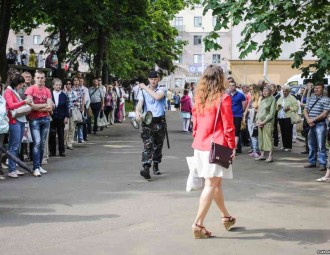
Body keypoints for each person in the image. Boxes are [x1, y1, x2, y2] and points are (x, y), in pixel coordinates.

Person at [191, 65, 236, 239]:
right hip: (217, 146)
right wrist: (232, 146)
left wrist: (198, 136)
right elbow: (228, 126)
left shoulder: (199, 97)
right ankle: (198, 223)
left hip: (200, 145)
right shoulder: (223, 98)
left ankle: (226, 216)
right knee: (211, 184)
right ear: (220, 79)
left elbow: (194, 124)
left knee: (215, 183)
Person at [135, 71, 167, 180]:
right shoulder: (142, 91)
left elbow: (157, 97)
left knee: (158, 145)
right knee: (147, 145)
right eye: (151, 79)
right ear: (148, 79)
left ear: (158, 79)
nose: (153, 81)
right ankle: (146, 168)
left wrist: (144, 87)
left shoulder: (162, 89)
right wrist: (137, 112)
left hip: (159, 122)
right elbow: (140, 104)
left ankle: (156, 164)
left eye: (155, 79)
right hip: (147, 122)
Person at [25, 71, 53, 177]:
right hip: (34, 119)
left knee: (42, 144)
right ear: (34, 78)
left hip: (45, 119)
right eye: (38, 77)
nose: (40, 79)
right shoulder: (30, 89)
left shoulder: (47, 90)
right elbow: (32, 107)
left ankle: (39, 165)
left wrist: (38, 106)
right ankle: (35, 167)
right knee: (36, 142)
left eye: (42, 78)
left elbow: (50, 107)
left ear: (45, 79)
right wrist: (44, 104)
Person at [4, 73, 32, 178]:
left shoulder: (14, 91)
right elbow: (11, 105)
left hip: (19, 120)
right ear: (16, 83)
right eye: (20, 84)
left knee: (17, 145)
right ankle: (11, 169)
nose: (21, 86)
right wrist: (24, 102)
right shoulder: (8, 92)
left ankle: (14, 168)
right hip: (14, 120)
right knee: (14, 146)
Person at [303, 82, 330, 171]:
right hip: (311, 124)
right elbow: (305, 110)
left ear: (323, 89)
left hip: (320, 124)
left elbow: (325, 113)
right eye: (315, 88)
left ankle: (323, 163)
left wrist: (313, 119)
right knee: (311, 144)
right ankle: (312, 162)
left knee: (321, 145)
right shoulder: (310, 98)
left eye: (318, 88)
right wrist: (308, 120)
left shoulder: (326, 99)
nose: (316, 89)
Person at [255, 85, 276, 163]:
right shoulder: (263, 100)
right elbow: (259, 111)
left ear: (270, 92)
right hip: (260, 122)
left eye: (266, 91)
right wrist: (257, 120)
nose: (264, 92)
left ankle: (270, 156)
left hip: (267, 123)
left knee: (268, 139)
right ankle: (262, 154)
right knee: (261, 139)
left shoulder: (273, 100)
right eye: (263, 91)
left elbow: (272, 113)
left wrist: (264, 122)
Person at [49, 79, 69, 157]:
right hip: (52, 116)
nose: (58, 86)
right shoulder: (50, 94)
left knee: (61, 134)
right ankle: (52, 151)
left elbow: (66, 106)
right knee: (52, 134)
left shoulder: (64, 95)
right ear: (53, 85)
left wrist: (66, 116)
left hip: (61, 117)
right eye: (56, 85)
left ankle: (62, 151)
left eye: (59, 85)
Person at [276, 85, 299, 152]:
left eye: (286, 91)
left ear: (289, 91)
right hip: (281, 117)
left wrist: (289, 108)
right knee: (283, 131)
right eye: (283, 91)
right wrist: (278, 106)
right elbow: (276, 106)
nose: (284, 92)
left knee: (288, 132)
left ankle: (288, 146)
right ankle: (284, 145)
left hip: (288, 117)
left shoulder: (292, 98)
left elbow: (296, 107)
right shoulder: (281, 98)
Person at [228, 81, 246, 153]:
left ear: (235, 86)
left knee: (236, 132)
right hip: (229, 116)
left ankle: (235, 148)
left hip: (237, 115)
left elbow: (244, 105)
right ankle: (231, 147)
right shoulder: (227, 95)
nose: (231, 87)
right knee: (230, 132)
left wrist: (241, 113)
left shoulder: (240, 95)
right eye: (230, 86)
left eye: (233, 85)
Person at [63, 79, 78, 150]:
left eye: (70, 83)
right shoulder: (63, 93)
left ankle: (70, 143)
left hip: (72, 111)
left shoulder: (74, 92)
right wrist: (66, 92)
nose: (68, 85)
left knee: (72, 128)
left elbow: (75, 101)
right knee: (66, 128)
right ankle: (64, 142)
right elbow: (66, 100)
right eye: (67, 83)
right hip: (65, 112)